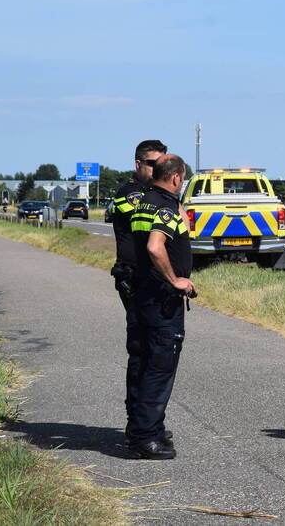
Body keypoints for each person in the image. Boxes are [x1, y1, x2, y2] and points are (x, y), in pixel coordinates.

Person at [128, 155, 195, 459]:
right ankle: (147, 437)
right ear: (177, 179)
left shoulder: (144, 202)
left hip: (142, 295)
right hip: (161, 299)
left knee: (143, 363)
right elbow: (156, 246)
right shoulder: (167, 206)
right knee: (160, 367)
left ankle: (141, 429)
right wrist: (176, 280)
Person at [109, 139, 167, 446]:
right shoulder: (129, 194)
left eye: (163, 164)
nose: (158, 169)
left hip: (151, 281)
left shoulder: (152, 194)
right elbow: (146, 224)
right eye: (153, 164)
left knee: (154, 351)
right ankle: (138, 423)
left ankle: (147, 421)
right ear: (138, 164)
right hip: (134, 279)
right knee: (142, 349)